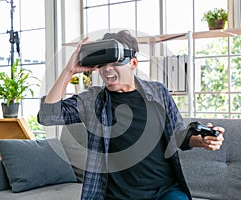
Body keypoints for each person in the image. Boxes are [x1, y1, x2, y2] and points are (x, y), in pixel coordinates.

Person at [37, 30, 225, 200]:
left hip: (165, 192)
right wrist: (69, 70)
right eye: (102, 64)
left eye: (115, 62)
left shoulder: (158, 92)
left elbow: (177, 136)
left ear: (133, 63)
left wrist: (201, 140)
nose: (107, 69)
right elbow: (48, 116)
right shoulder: (92, 100)